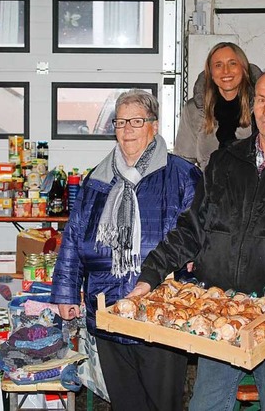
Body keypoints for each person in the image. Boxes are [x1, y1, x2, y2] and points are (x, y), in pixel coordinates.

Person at [130, 68, 265, 411]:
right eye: (261, 99)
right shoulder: (225, 160)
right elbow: (193, 227)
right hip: (221, 310)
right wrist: (150, 276)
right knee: (205, 405)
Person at [50, 89, 202, 411]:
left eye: (137, 121)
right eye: (120, 122)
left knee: (163, 404)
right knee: (126, 404)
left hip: (159, 314)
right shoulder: (97, 179)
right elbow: (74, 237)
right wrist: (65, 292)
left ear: (154, 126)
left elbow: (200, 234)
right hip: (109, 310)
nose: (127, 129)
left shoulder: (182, 176)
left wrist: (194, 265)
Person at [174, 42, 261, 170]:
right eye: (218, 65)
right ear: (211, 73)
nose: (226, 71)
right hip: (209, 186)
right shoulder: (194, 109)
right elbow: (182, 164)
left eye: (232, 63)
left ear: (243, 69)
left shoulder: (262, 106)